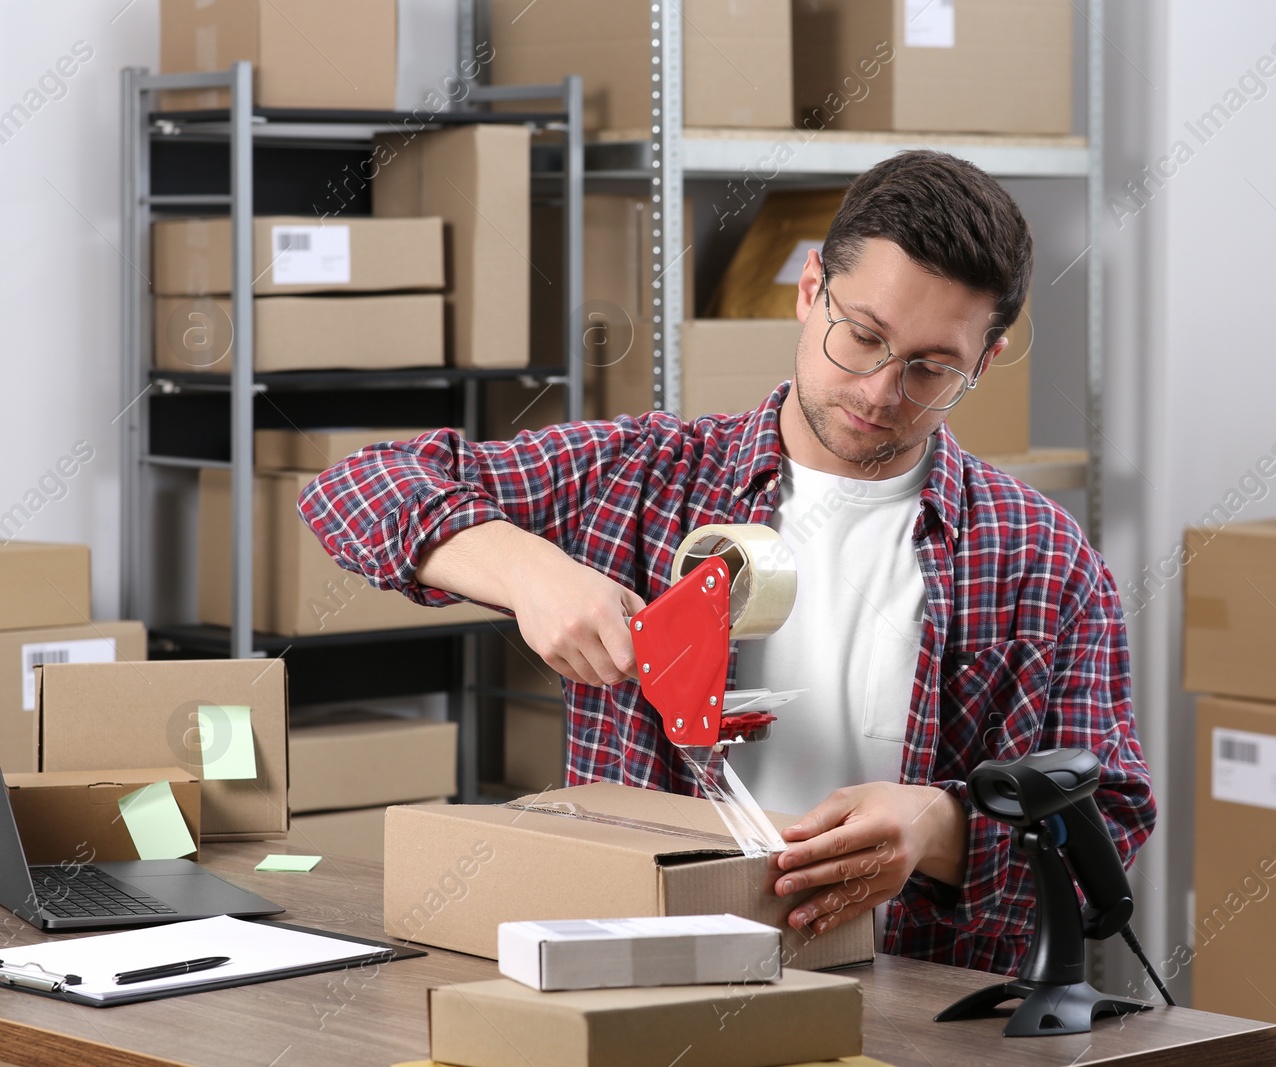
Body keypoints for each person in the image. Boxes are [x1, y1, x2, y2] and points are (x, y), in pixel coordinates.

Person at [298, 149, 1155, 975]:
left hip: (915, 1013)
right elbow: (354, 490)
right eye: (861, 337)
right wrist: (528, 571)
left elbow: (1106, 828)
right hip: (643, 985)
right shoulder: (637, 477)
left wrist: (941, 828)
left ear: (989, 359)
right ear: (810, 289)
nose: (879, 392)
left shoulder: (1043, 559)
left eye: (932, 368)